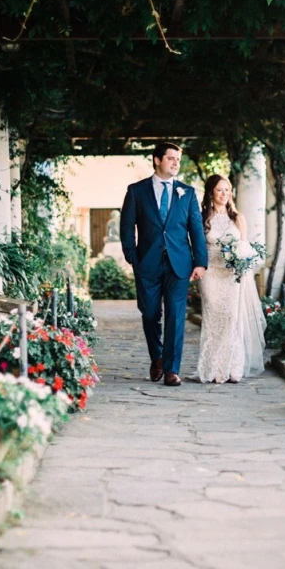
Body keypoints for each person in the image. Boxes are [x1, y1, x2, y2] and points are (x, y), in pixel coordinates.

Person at [119, 142, 208, 387]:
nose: (176, 163)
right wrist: (132, 256)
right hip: (147, 263)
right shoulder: (137, 191)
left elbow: (196, 229)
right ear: (157, 160)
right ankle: (156, 356)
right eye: (171, 158)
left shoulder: (187, 193)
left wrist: (200, 262)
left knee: (176, 315)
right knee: (149, 314)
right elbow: (127, 227)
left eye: (178, 159)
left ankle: (171, 369)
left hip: (179, 264)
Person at [196, 174, 266, 384]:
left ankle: (232, 368)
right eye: (219, 190)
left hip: (232, 275)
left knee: (231, 319)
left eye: (227, 190)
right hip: (211, 273)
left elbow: (244, 246)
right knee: (213, 317)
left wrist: (241, 261)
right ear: (211, 193)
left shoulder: (238, 218)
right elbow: (198, 246)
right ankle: (212, 368)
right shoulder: (202, 218)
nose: (224, 194)